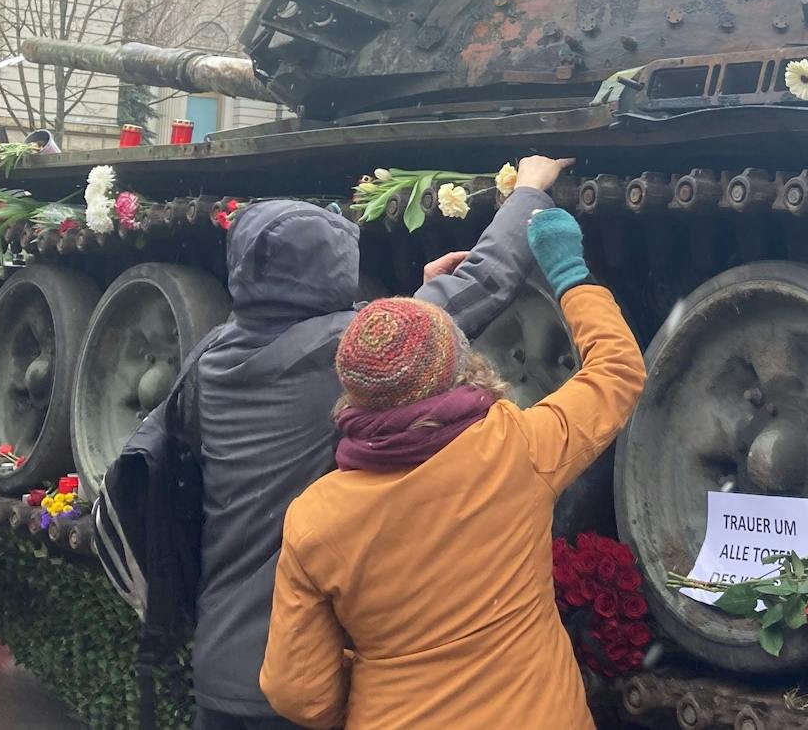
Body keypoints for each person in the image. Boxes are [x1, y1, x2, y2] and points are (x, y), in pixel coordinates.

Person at [183, 155, 571, 730]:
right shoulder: (339, 351)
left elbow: (379, 347)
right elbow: (483, 283)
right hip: (299, 680)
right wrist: (530, 191)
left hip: (221, 662)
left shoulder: (209, 359)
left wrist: (416, 298)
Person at [260, 208, 644, 730]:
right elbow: (616, 371)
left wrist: (385, 670)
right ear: (458, 367)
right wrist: (570, 275)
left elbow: (298, 694)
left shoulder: (315, 519)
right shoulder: (514, 448)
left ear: (352, 392)